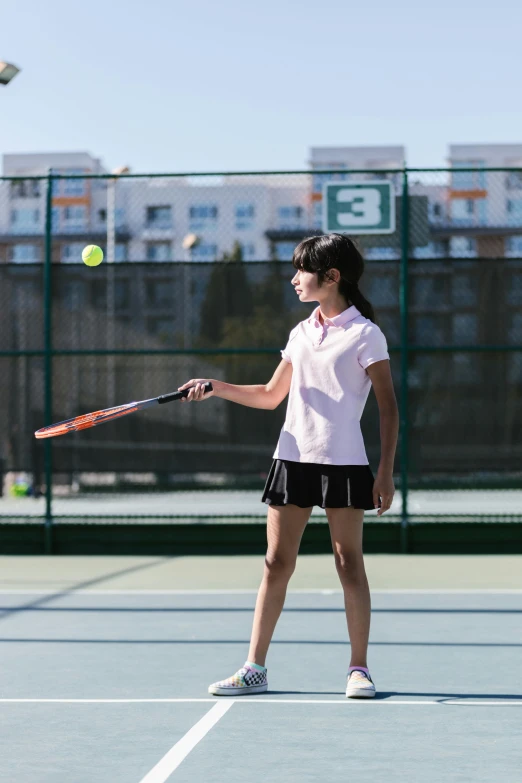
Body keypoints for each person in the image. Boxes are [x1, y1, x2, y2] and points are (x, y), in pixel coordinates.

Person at [177, 233, 399, 699]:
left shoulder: (366, 334)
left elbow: (388, 408)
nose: (294, 278)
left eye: (302, 270)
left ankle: (358, 669)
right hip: (292, 458)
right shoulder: (300, 333)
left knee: (348, 563)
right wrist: (215, 385)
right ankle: (254, 668)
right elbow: (271, 395)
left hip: (344, 464)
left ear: (331, 277)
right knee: (276, 563)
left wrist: (384, 472)